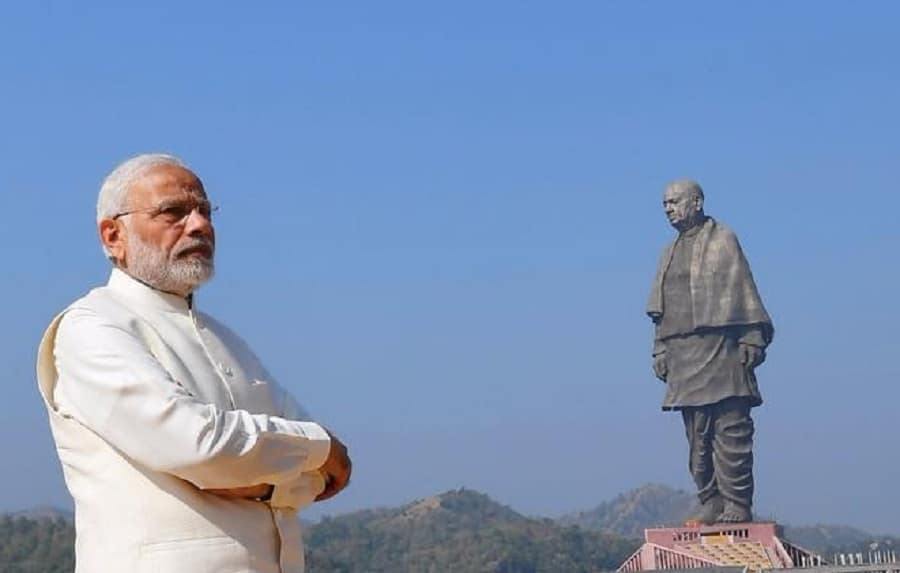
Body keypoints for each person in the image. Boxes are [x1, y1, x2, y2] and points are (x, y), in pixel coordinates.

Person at [36, 154, 351, 573]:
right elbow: (197, 443)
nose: (200, 225)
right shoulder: (90, 327)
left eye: (205, 211)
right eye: (174, 212)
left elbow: (318, 481)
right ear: (113, 236)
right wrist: (317, 447)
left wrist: (261, 479)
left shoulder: (229, 342)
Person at [646, 179, 773, 524]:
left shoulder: (722, 240)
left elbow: (743, 291)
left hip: (722, 349)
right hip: (683, 353)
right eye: (664, 204)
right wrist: (660, 350)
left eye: (674, 201)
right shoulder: (667, 252)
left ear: (697, 202)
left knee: (731, 430)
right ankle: (710, 499)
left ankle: (736, 503)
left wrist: (751, 338)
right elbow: (660, 311)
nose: (668, 208)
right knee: (697, 440)